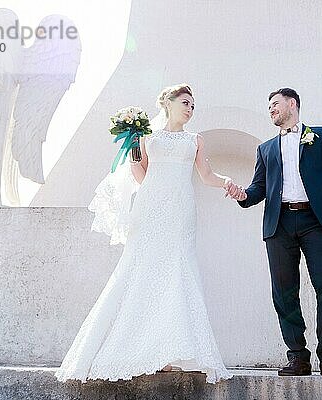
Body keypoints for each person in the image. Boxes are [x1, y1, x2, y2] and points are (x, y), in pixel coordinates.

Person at [55, 84, 233, 384]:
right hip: (151, 209)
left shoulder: (196, 140)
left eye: (193, 106)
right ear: (169, 103)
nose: (190, 109)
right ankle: (138, 351)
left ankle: (165, 352)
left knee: (178, 273)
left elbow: (205, 175)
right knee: (143, 272)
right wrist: (142, 166)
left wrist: (227, 182)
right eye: (186, 103)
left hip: (181, 211)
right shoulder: (145, 136)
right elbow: (140, 173)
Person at [226, 88, 322, 377]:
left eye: (275, 104)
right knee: (284, 293)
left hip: (317, 221)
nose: (270, 109)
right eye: (268, 106)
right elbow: (258, 188)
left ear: (292, 104)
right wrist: (241, 194)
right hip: (279, 224)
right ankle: (297, 356)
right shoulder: (266, 148)